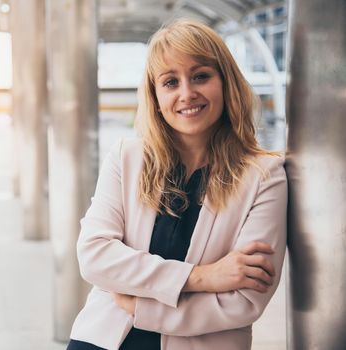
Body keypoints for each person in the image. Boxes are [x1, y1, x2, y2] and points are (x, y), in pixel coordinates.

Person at [66, 19, 287, 350]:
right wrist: (203, 277)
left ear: (226, 82)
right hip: (102, 339)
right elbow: (95, 256)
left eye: (200, 76)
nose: (187, 93)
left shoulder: (265, 176)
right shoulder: (127, 157)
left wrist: (140, 305)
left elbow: (244, 301)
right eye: (171, 82)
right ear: (155, 96)